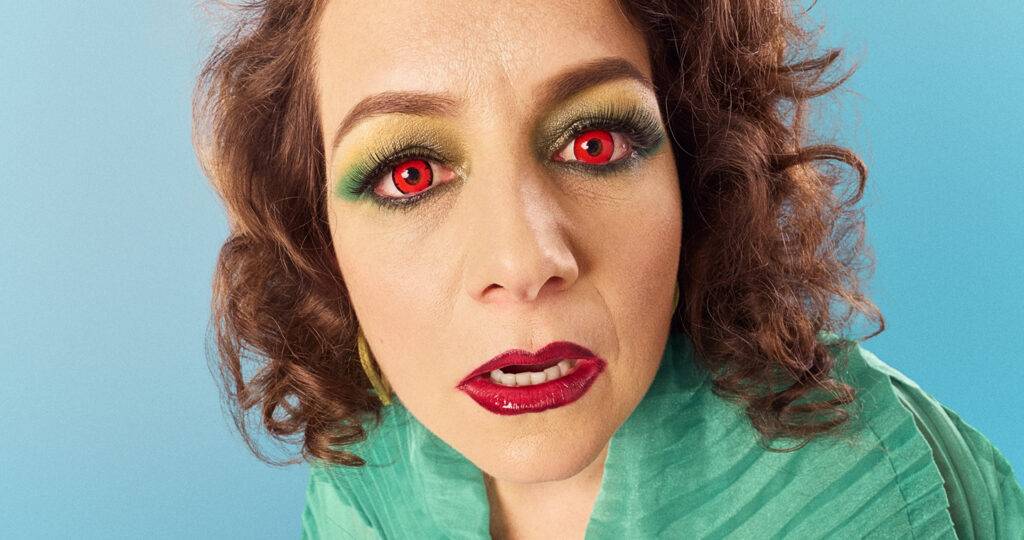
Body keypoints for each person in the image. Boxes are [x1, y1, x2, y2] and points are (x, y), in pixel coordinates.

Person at [192, 0, 1024, 537]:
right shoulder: (362, 481)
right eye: (409, 173)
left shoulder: (847, 486)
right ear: (318, 237)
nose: (524, 262)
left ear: (695, 173)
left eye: (593, 143)